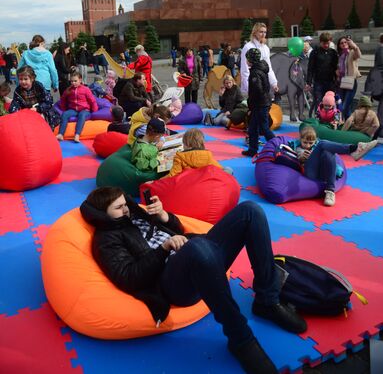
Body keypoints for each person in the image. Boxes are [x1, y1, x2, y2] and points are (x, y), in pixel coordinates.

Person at [80, 187, 308, 374]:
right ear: (103, 213)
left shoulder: (136, 213)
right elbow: (129, 277)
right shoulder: (106, 239)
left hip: (199, 255)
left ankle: (268, 300)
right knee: (197, 247)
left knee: (251, 210)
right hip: (173, 282)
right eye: (119, 208)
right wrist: (163, 249)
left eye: (125, 204)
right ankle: (241, 339)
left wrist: (163, 216)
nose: (127, 210)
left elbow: (177, 229)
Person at [288, 125, 378, 206]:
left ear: (314, 141)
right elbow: (298, 158)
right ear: (300, 140)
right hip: (310, 172)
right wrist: (302, 158)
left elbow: (326, 157)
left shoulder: (316, 147)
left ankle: (330, 192)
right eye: (305, 142)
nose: (308, 145)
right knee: (322, 144)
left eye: (311, 143)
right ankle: (353, 149)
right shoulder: (298, 147)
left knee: (328, 152)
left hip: (322, 173)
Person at [242, 48, 275, 158]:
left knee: (264, 128)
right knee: (253, 127)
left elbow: (257, 90)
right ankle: (252, 149)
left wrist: (251, 104)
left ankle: (278, 145)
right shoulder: (260, 69)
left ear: (250, 60)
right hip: (261, 103)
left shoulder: (255, 73)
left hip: (260, 104)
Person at [56, 70, 98, 142]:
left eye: (75, 81)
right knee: (65, 114)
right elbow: (63, 99)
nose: (73, 83)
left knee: (81, 116)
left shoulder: (85, 89)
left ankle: (77, 134)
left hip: (84, 109)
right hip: (73, 110)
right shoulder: (69, 90)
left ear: (80, 80)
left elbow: (92, 100)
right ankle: (61, 134)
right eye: (71, 81)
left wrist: (94, 111)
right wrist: (64, 109)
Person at [240, 23, 278, 95]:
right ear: (255, 32)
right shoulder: (248, 47)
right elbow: (245, 69)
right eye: (261, 32)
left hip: (264, 83)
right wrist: (249, 88)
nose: (263, 34)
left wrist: (274, 83)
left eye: (265, 32)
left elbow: (268, 67)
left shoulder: (265, 48)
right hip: (253, 82)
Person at [306, 32, 338, 116]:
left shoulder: (333, 53)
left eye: (328, 43)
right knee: (319, 102)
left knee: (330, 102)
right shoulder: (315, 52)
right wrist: (308, 82)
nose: (326, 45)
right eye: (324, 43)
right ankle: (319, 118)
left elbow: (336, 68)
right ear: (320, 42)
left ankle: (330, 118)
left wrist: (337, 80)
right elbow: (310, 68)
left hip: (330, 82)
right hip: (318, 82)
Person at [336, 35, 361, 120]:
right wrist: (337, 71)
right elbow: (340, 67)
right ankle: (348, 124)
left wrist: (354, 46)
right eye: (341, 43)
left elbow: (358, 55)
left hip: (351, 81)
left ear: (348, 43)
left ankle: (348, 124)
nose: (343, 44)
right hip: (342, 82)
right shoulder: (340, 55)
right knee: (343, 105)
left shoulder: (351, 52)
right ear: (339, 45)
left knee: (345, 106)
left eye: (345, 42)